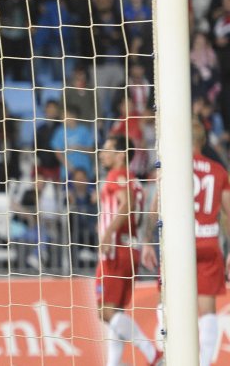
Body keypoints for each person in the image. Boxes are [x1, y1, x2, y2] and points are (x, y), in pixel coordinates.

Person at [142, 120, 230, 366]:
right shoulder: (218, 170)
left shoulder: (171, 167)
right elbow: (228, 213)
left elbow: (155, 208)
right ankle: (202, 362)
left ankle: (169, 355)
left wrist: (147, 242)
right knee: (207, 308)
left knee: (168, 303)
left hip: (178, 245)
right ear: (203, 141)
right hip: (208, 242)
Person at [96, 135, 159, 366]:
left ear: (121, 154)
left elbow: (128, 203)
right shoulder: (134, 180)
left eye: (107, 149)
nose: (102, 153)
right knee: (116, 313)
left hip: (115, 249)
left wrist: (108, 231)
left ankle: (152, 353)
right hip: (130, 247)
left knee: (105, 311)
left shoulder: (117, 175)